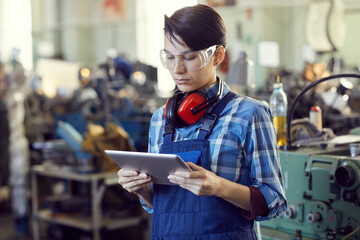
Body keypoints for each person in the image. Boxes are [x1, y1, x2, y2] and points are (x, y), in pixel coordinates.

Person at [118, 4, 286, 239]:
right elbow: (160, 205)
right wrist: (142, 189)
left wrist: (219, 187)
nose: (177, 69)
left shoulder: (249, 113)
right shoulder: (160, 118)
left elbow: (275, 201)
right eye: (170, 57)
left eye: (189, 57)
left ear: (217, 55)